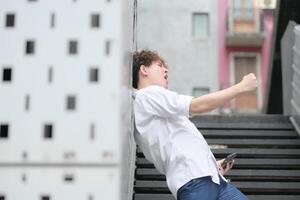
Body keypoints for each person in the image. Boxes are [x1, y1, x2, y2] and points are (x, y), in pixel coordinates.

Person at [132, 50, 257, 200]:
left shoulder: (155, 104)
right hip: (195, 182)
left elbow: (176, 144)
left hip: (211, 179)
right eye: (159, 65)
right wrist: (241, 87)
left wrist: (211, 165)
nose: (166, 70)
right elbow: (197, 106)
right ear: (144, 70)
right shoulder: (147, 95)